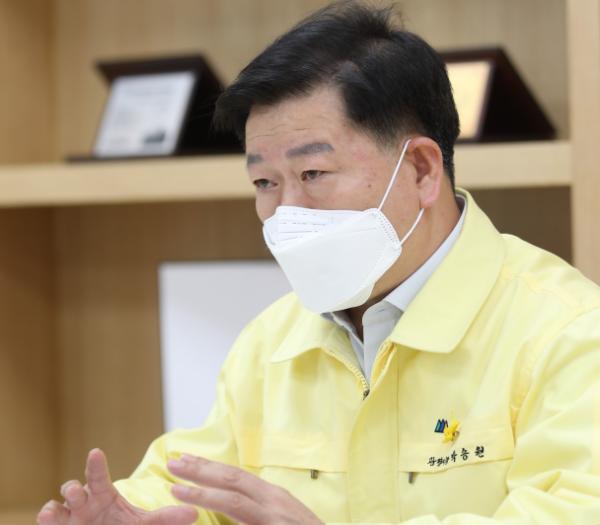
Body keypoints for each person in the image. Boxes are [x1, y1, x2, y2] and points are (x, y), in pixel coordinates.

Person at [38, 2, 600, 524]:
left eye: (313, 174)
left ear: (423, 170)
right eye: (264, 182)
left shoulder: (568, 332)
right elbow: (198, 488)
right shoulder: (270, 342)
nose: (285, 213)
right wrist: (135, 516)